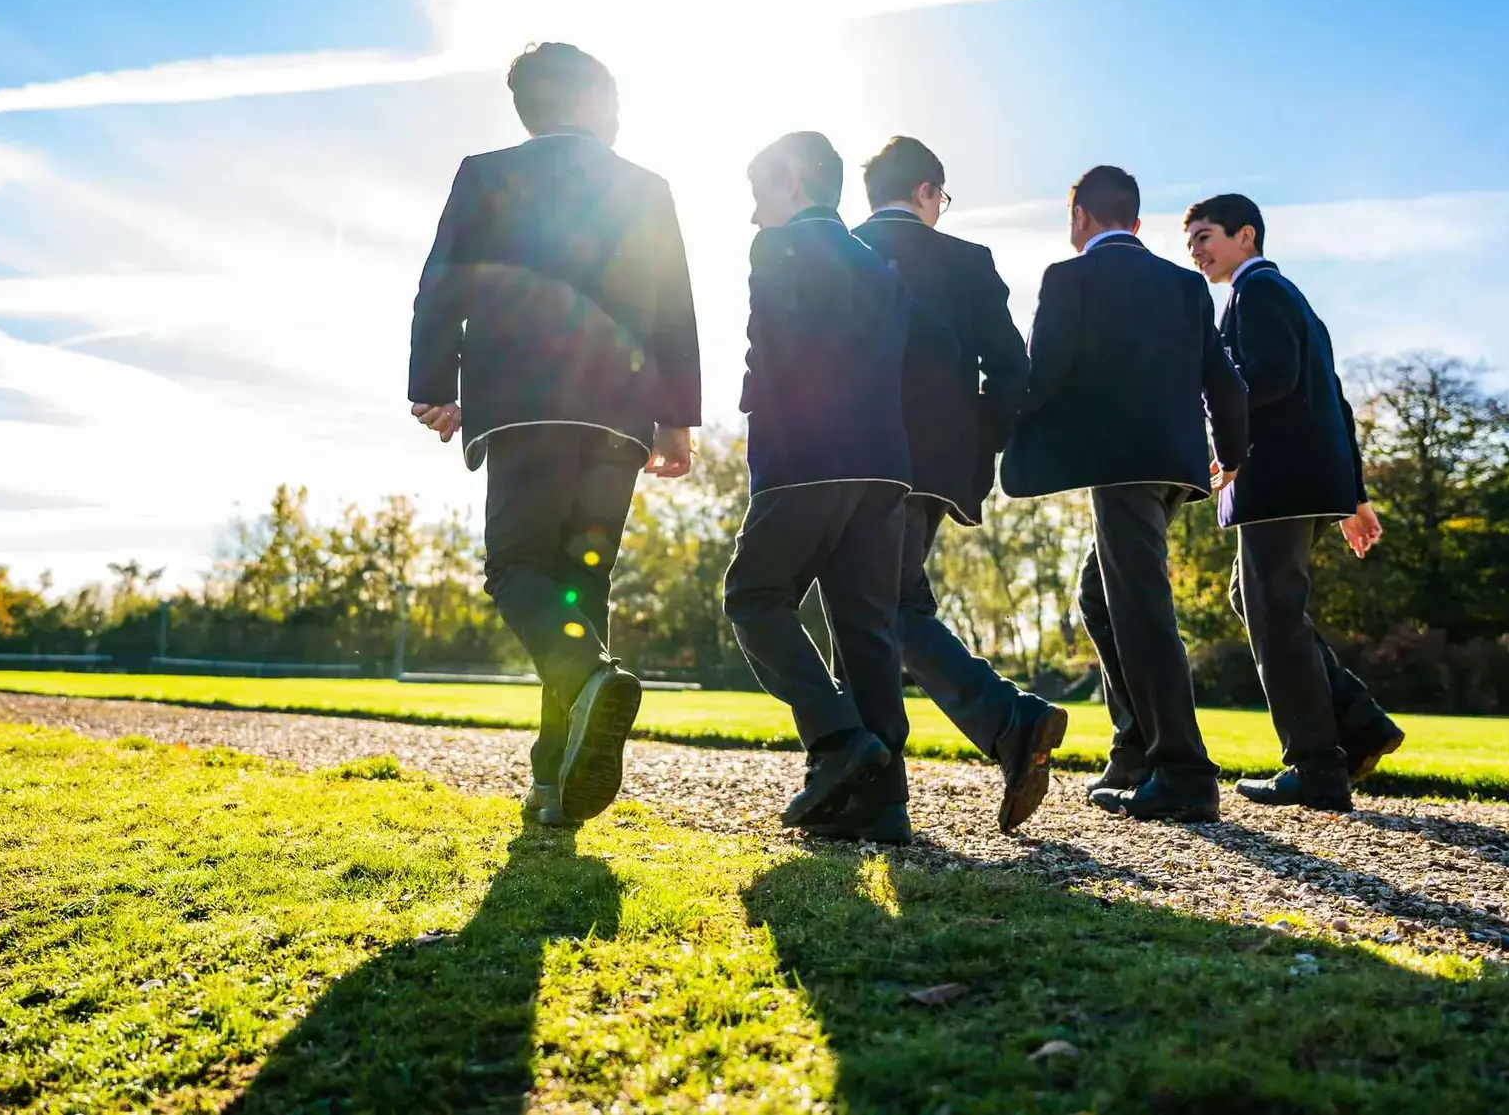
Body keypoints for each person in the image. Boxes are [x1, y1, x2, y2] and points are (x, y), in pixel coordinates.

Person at [407, 43, 701, 828]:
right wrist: (676, 416)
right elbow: (673, 307)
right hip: (618, 415)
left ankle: (586, 686)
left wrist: (434, 383)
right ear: (589, 98)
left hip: (523, 404)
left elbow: (443, 283)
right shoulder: (644, 188)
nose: (620, 114)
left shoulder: (486, 174)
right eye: (615, 98)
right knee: (580, 585)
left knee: (517, 569)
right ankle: (554, 779)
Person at [1002, 165, 1247, 823]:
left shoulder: (1069, 276)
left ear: (1079, 218)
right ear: (1136, 223)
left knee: (1141, 607)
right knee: (1099, 594)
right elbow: (1224, 381)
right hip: (1177, 468)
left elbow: (1042, 376)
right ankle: (1135, 748)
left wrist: (988, 422)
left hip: (1120, 467)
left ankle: (1184, 770)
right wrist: (1231, 456)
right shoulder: (1184, 284)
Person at [852, 136, 1068, 834]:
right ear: (925, 190)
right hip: (936, 464)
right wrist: (976, 440)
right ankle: (864, 771)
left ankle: (1002, 722)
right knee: (888, 605)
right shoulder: (967, 261)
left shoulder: (840, 249)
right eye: (941, 196)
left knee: (877, 609)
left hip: (851, 454)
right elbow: (1011, 371)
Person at [722, 131, 918, 844]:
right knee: (866, 629)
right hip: (884, 463)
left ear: (794, 180)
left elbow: (770, 349)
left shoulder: (778, 247)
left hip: (806, 456)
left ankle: (835, 738)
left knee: (753, 596)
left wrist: (756, 408)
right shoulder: (880, 266)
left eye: (760, 194)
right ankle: (883, 802)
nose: (754, 214)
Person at [1184, 193, 1406, 811]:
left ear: (1245, 236)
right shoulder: (1288, 299)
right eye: (1191, 242)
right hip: (1306, 478)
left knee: (1273, 614)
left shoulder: (1257, 292)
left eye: (1205, 237)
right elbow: (1334, 399)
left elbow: (1270, 378)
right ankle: (1358, 721)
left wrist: (1224, 439)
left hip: (1276, 479)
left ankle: (1315, 766)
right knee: (1253, 599)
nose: (1196, 251)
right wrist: (1354, 496)